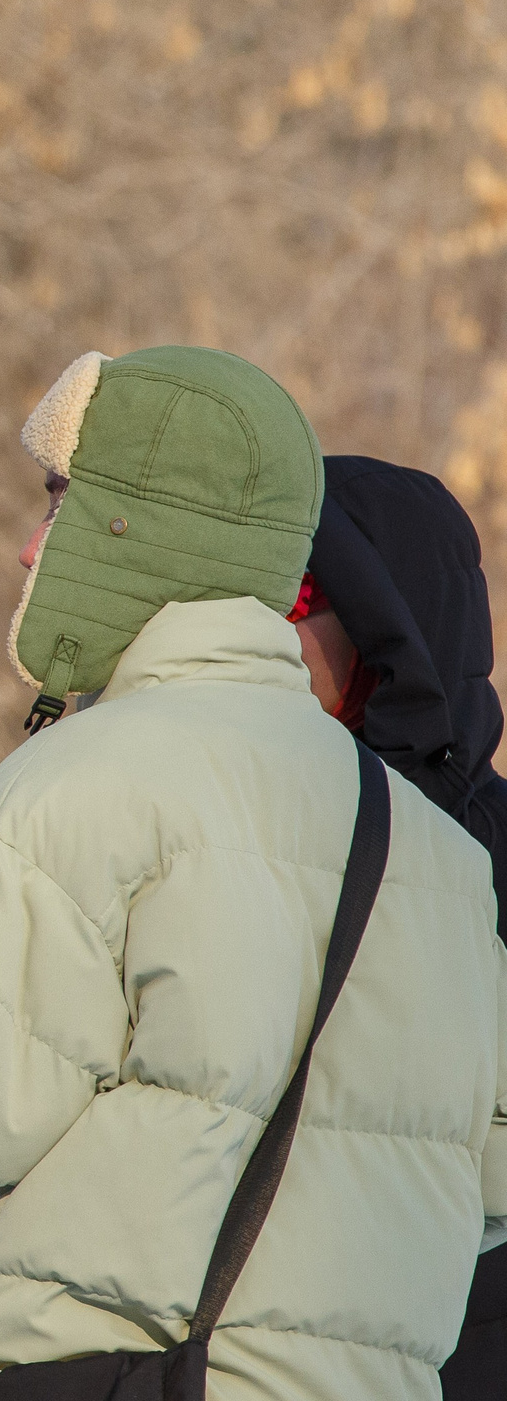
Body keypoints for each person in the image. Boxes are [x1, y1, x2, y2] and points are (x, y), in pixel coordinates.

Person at [0, 346, 507, 1399]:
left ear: (137, 527)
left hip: (102, 1362)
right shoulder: (437, 850)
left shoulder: (81, 775)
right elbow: (483, 1172)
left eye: (61, 500)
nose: (27, 547)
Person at [284, 455, 507, 1396]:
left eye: (297, 601)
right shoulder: (227, 826)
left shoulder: (487, 858)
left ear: (391, 623)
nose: (260, 636)